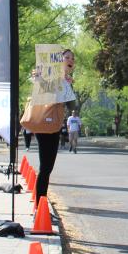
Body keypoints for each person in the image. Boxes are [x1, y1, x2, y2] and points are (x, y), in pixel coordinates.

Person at [32, 48, 76, 202]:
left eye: (72, 58)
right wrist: (39, 79)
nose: (70, 60)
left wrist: (68, 85)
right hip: (45, 123)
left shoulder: (66, 81)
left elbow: (72, 106)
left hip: (55, 125)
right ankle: (40, 203)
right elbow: (44, 89)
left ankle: (41, 201)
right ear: (59, 60)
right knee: (45, 166)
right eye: (67, 57)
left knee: (48, 167)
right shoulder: (51, 76)